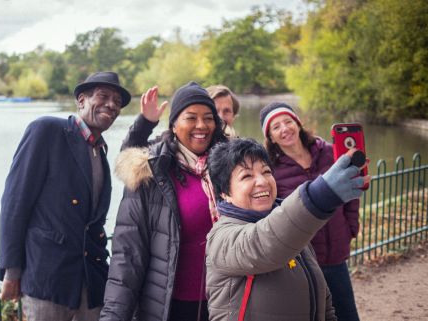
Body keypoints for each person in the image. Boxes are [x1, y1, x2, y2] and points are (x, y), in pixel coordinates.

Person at [0, 71, 131, 321]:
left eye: (117, 101)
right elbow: (15, 203)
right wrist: (12, 271)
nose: (112, 105)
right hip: (47, 281)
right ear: (81, 100)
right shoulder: (47, 130)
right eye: (103, 96)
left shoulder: (100, 152)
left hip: (90, 283)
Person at [100, 81, 227, 321]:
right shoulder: (150, 172)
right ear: (174, 124)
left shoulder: (232, 167)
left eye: (208, 117)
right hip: (171, 307)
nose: (201, 125)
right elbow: (127, 255)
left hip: (229, 302)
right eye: (191, 117)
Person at [205, 138, 369, 321]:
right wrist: (320, 196)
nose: (262, 181)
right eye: (247, 176)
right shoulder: (221, 238)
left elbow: (322, 299)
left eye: (266, 171)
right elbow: (264, 243)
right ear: (225, 193)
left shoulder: (293, 232)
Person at [259, 102, 361, 321]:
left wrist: (351, 226)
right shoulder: (271, 170)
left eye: (288, 121)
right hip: (303, 258)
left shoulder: (329, 152)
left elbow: (352, 187)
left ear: (298, 123)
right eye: (276, 127)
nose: (284, 129)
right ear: (271, 137)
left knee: (347, 314)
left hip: (336, 254)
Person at [131, 84, 240, 140]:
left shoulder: (241, 153)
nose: (220, 117)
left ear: (234, 117)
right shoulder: (163, 152)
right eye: (215, 112)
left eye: (227, 111)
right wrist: (146, 122)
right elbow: (131, 157)